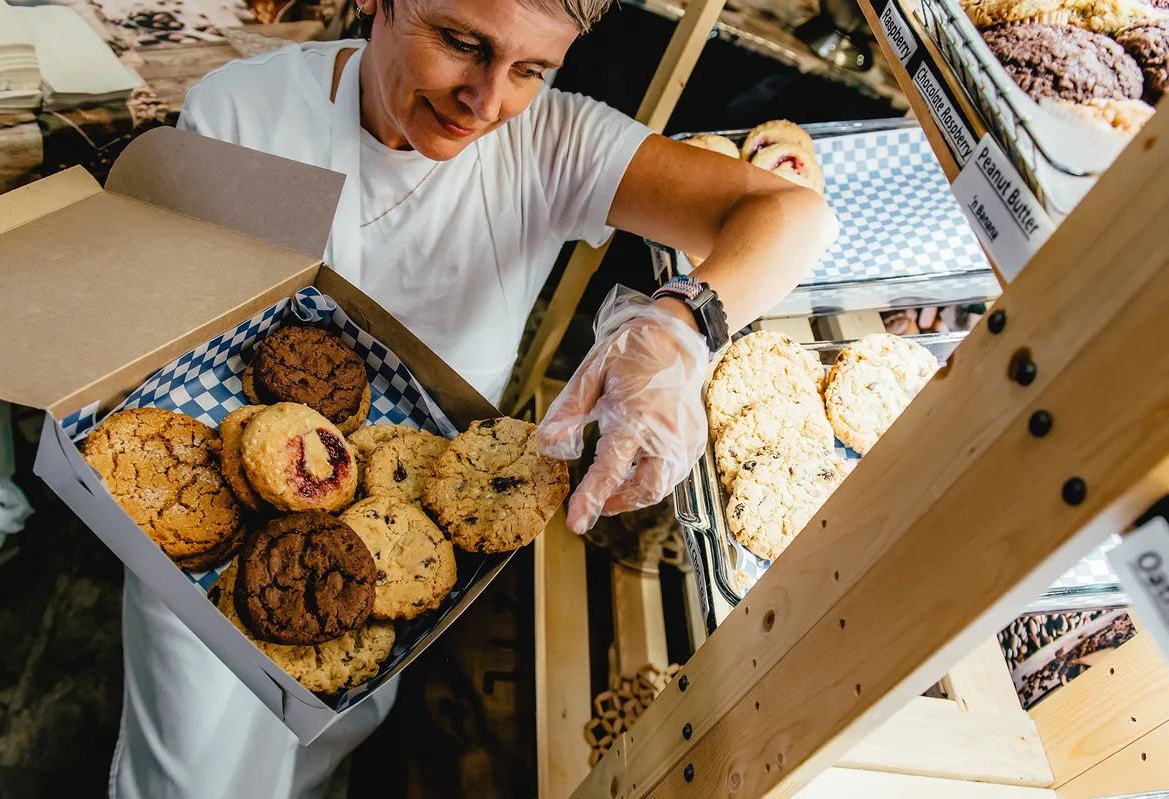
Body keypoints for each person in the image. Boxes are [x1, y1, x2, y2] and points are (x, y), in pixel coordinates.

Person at [110, 0, 839, 795]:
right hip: (216, 535)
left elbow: (792, 217)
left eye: (531, 69)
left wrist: (680, 325)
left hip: (406, 531)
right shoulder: (241, 115)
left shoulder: (553, 142)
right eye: (462, 43)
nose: (486, 102)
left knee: (332, 729)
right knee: (192, 765)